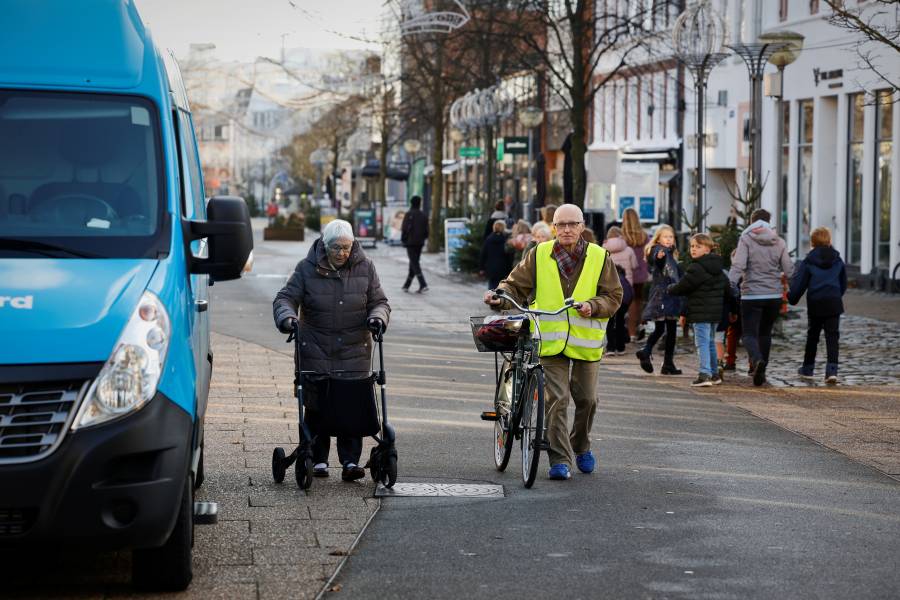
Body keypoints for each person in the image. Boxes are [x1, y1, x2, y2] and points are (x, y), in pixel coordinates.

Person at [483, 204, 623, 481]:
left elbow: (614, 296)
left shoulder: (599, 256)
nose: (567, 229)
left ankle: (581, 446)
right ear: (554, 227)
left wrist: (593, 306)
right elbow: (514, 284)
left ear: (582, 226)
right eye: (562, 225)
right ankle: (559, 459)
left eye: (573, 224)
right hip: (549, 341)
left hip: (586, 344)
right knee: (556, 399)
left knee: (587, 400)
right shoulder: (539, 254)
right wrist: (499, 296)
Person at [273, 219, 391, 481]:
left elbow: (379, 301)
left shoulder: (366, 267)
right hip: (316, 349)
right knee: (318, 405)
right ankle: (318, 459)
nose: (342, 253)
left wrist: (378, 318)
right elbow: (285, 298)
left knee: (351, 406)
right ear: (325, 246)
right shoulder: (306, 269)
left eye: (347, 247)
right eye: (336, 247)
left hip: (354, 351)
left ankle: (351, 463)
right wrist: (287, 318)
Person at [728, 209, 793, 386]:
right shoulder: (778, 241)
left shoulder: (746, 239)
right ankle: (762, 370)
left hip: (751, 294)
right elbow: (788, 269)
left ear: (752, 221)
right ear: (769, 221)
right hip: (773, 295)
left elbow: (738, 265)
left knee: (748, 333)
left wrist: (729, 286)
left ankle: (757, 361)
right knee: (765, 333)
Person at [788, 226, 847, 384]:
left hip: (816, 302)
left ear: (812, 242)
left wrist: (791, 297)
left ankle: (808, 369)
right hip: (833, 302)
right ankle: (832, 371)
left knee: (813, 336)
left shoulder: (809, 261)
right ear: (829, 241)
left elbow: (800, 283)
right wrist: (835, 295)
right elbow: (843, 284)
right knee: (832, 337)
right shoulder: (838, 260)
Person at [667, 234, 727, 387]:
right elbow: (727, 288)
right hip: (714, 312)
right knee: (711, 342)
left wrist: (670, 288)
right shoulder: (718, 268)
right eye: (692, 246)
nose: (693, 249)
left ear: (707, 249)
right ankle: (714, 374)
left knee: (702, 343)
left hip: (700, 312)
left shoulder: (697, 267)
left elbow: (684, 286)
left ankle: (704, 374)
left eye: (698, 246)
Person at [635, 224, 683, 375]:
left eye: (671, 237)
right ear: (658, 239)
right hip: (663, 296)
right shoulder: (658, 250)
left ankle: (666, 363)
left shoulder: (670, 252)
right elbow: (656, 259)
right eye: (665, 237)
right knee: (665, 328)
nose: (669, 239)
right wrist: (659, 257)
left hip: (669, 295)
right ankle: (648, 351)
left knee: (668, 329)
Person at [603, 227, 639, 355]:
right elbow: (635, 265)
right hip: (625, 289)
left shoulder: (603, 250)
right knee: (621, 319)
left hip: (609, 290)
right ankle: (621, 347)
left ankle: (610, 348)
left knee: (610, 319)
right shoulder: (628, 249)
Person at [621, 208, 649, 341]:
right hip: (641, 274)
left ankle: (631, 332)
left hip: (626, 274)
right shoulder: (644, 236)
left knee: (628, 302)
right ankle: (638, 327)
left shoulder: (622, 237)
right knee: (638, 301)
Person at [401, 195, 429, 293]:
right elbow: (427, 231)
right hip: (420, 243)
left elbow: (404, 228)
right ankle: (406, 285)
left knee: (414, 263)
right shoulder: (424, 215)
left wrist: (404, 239)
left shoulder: (409, 214)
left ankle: (423, 284)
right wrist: (423, 238)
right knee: (414, 262)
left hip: (410, 242)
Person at [480, 220, 513, 289]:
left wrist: (481, 268)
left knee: (492, 286)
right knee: (502, 287)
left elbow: (483, 254)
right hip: (503, 267)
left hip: (491, 267)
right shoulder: (505, 240)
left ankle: (492, 298)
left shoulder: (488, 239)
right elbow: (509, 255)